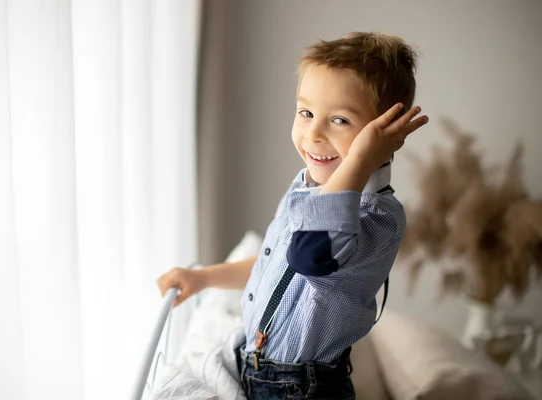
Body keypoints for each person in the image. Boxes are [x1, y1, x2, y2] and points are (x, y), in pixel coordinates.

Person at [158, 31, 429, 399]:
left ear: (386, 136)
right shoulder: (307, 185)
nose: (313, 133)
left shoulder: (379, 218)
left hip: (300, 387)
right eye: (306, 112)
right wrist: (203, 277)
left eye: (340, 121)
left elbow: (308, 255)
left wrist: (362, 159)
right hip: (256, 363)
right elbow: (277, 260)